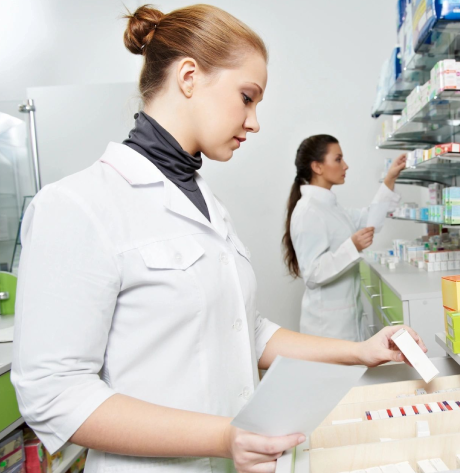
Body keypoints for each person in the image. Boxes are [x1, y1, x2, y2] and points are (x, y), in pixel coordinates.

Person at [11, 5, 426, 473]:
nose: (254, 121)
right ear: (188, 76)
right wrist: (224, 436)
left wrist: (360, 352)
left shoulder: (206, 203)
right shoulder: (78, 205)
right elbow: (53, 392)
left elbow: (242, 330)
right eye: (247, 97)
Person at [282, 136, 406, 342]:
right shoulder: (308, 211)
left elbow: (368, 220)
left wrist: (389, 179)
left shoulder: (330, 207)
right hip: (327, 326)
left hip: (345, 319)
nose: (345, 165)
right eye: (338, 159)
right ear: (317, 167)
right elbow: (312, 274)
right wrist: (352, 246)